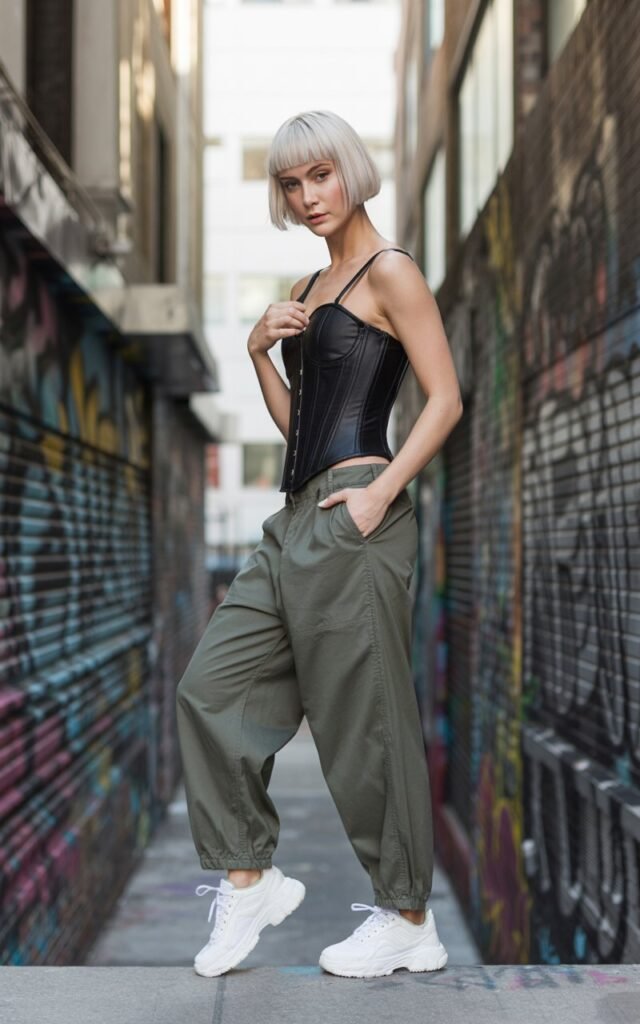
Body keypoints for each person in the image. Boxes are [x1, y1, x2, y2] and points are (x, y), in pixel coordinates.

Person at [176, 110, 463, 979]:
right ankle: (250, 877)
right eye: (291, 185)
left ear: (351, 171)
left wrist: (380, 494)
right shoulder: (316, 279)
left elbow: (444, 398)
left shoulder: (391, 271)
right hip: (298, 516)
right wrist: (260, 352)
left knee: (363, 724)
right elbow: (301, 428)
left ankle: (408, 913)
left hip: (357, 515)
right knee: (210, 688)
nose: (306, 198)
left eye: (320, 177)